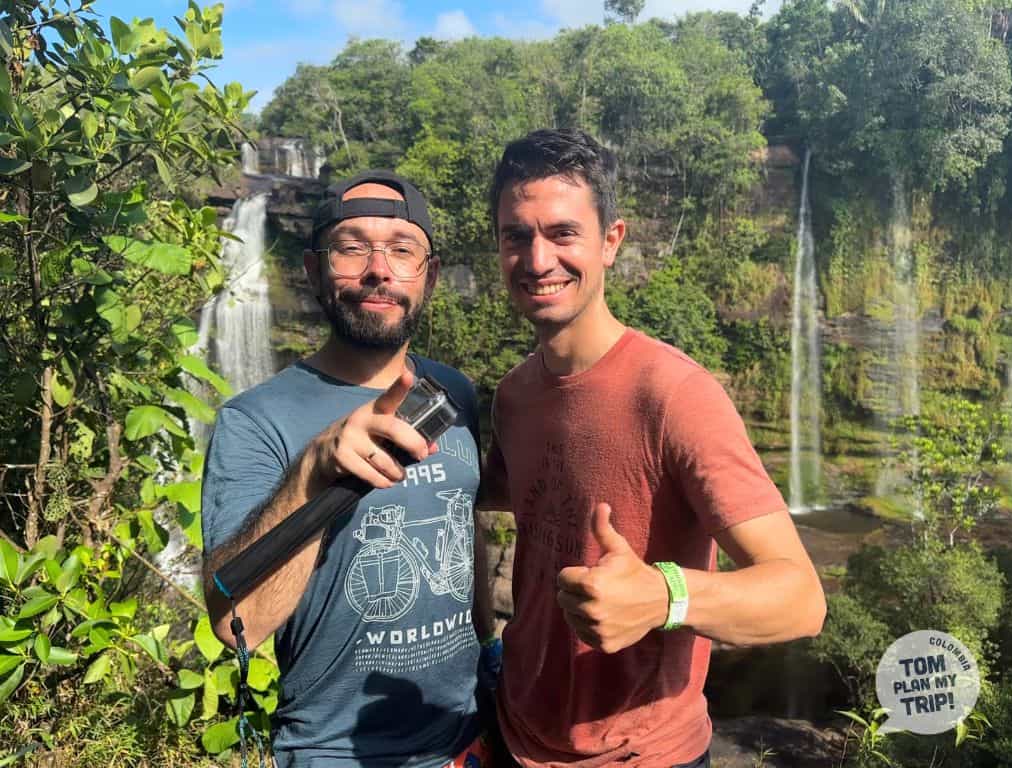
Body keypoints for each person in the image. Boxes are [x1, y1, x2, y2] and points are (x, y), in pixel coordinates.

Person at [481, 129, 826, 768]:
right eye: (515, 236)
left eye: (562, 233)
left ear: (611, 241)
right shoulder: (513, 396)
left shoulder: (675, 394)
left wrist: (664, 597)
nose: (536, 260)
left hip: (642, 754)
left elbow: (801, 600)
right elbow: (504, 523)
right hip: (514, 733)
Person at [201, 170, 495, 768]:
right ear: (314, 270)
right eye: (352, 247)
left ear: (429, 276)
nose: (378, 270)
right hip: (332, 752)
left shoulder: (455, 393)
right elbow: (237, 625)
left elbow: (467, 524)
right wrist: (313, 469)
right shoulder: (253, 421)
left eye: (401, 250)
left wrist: (491, 646)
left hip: (468, 738)